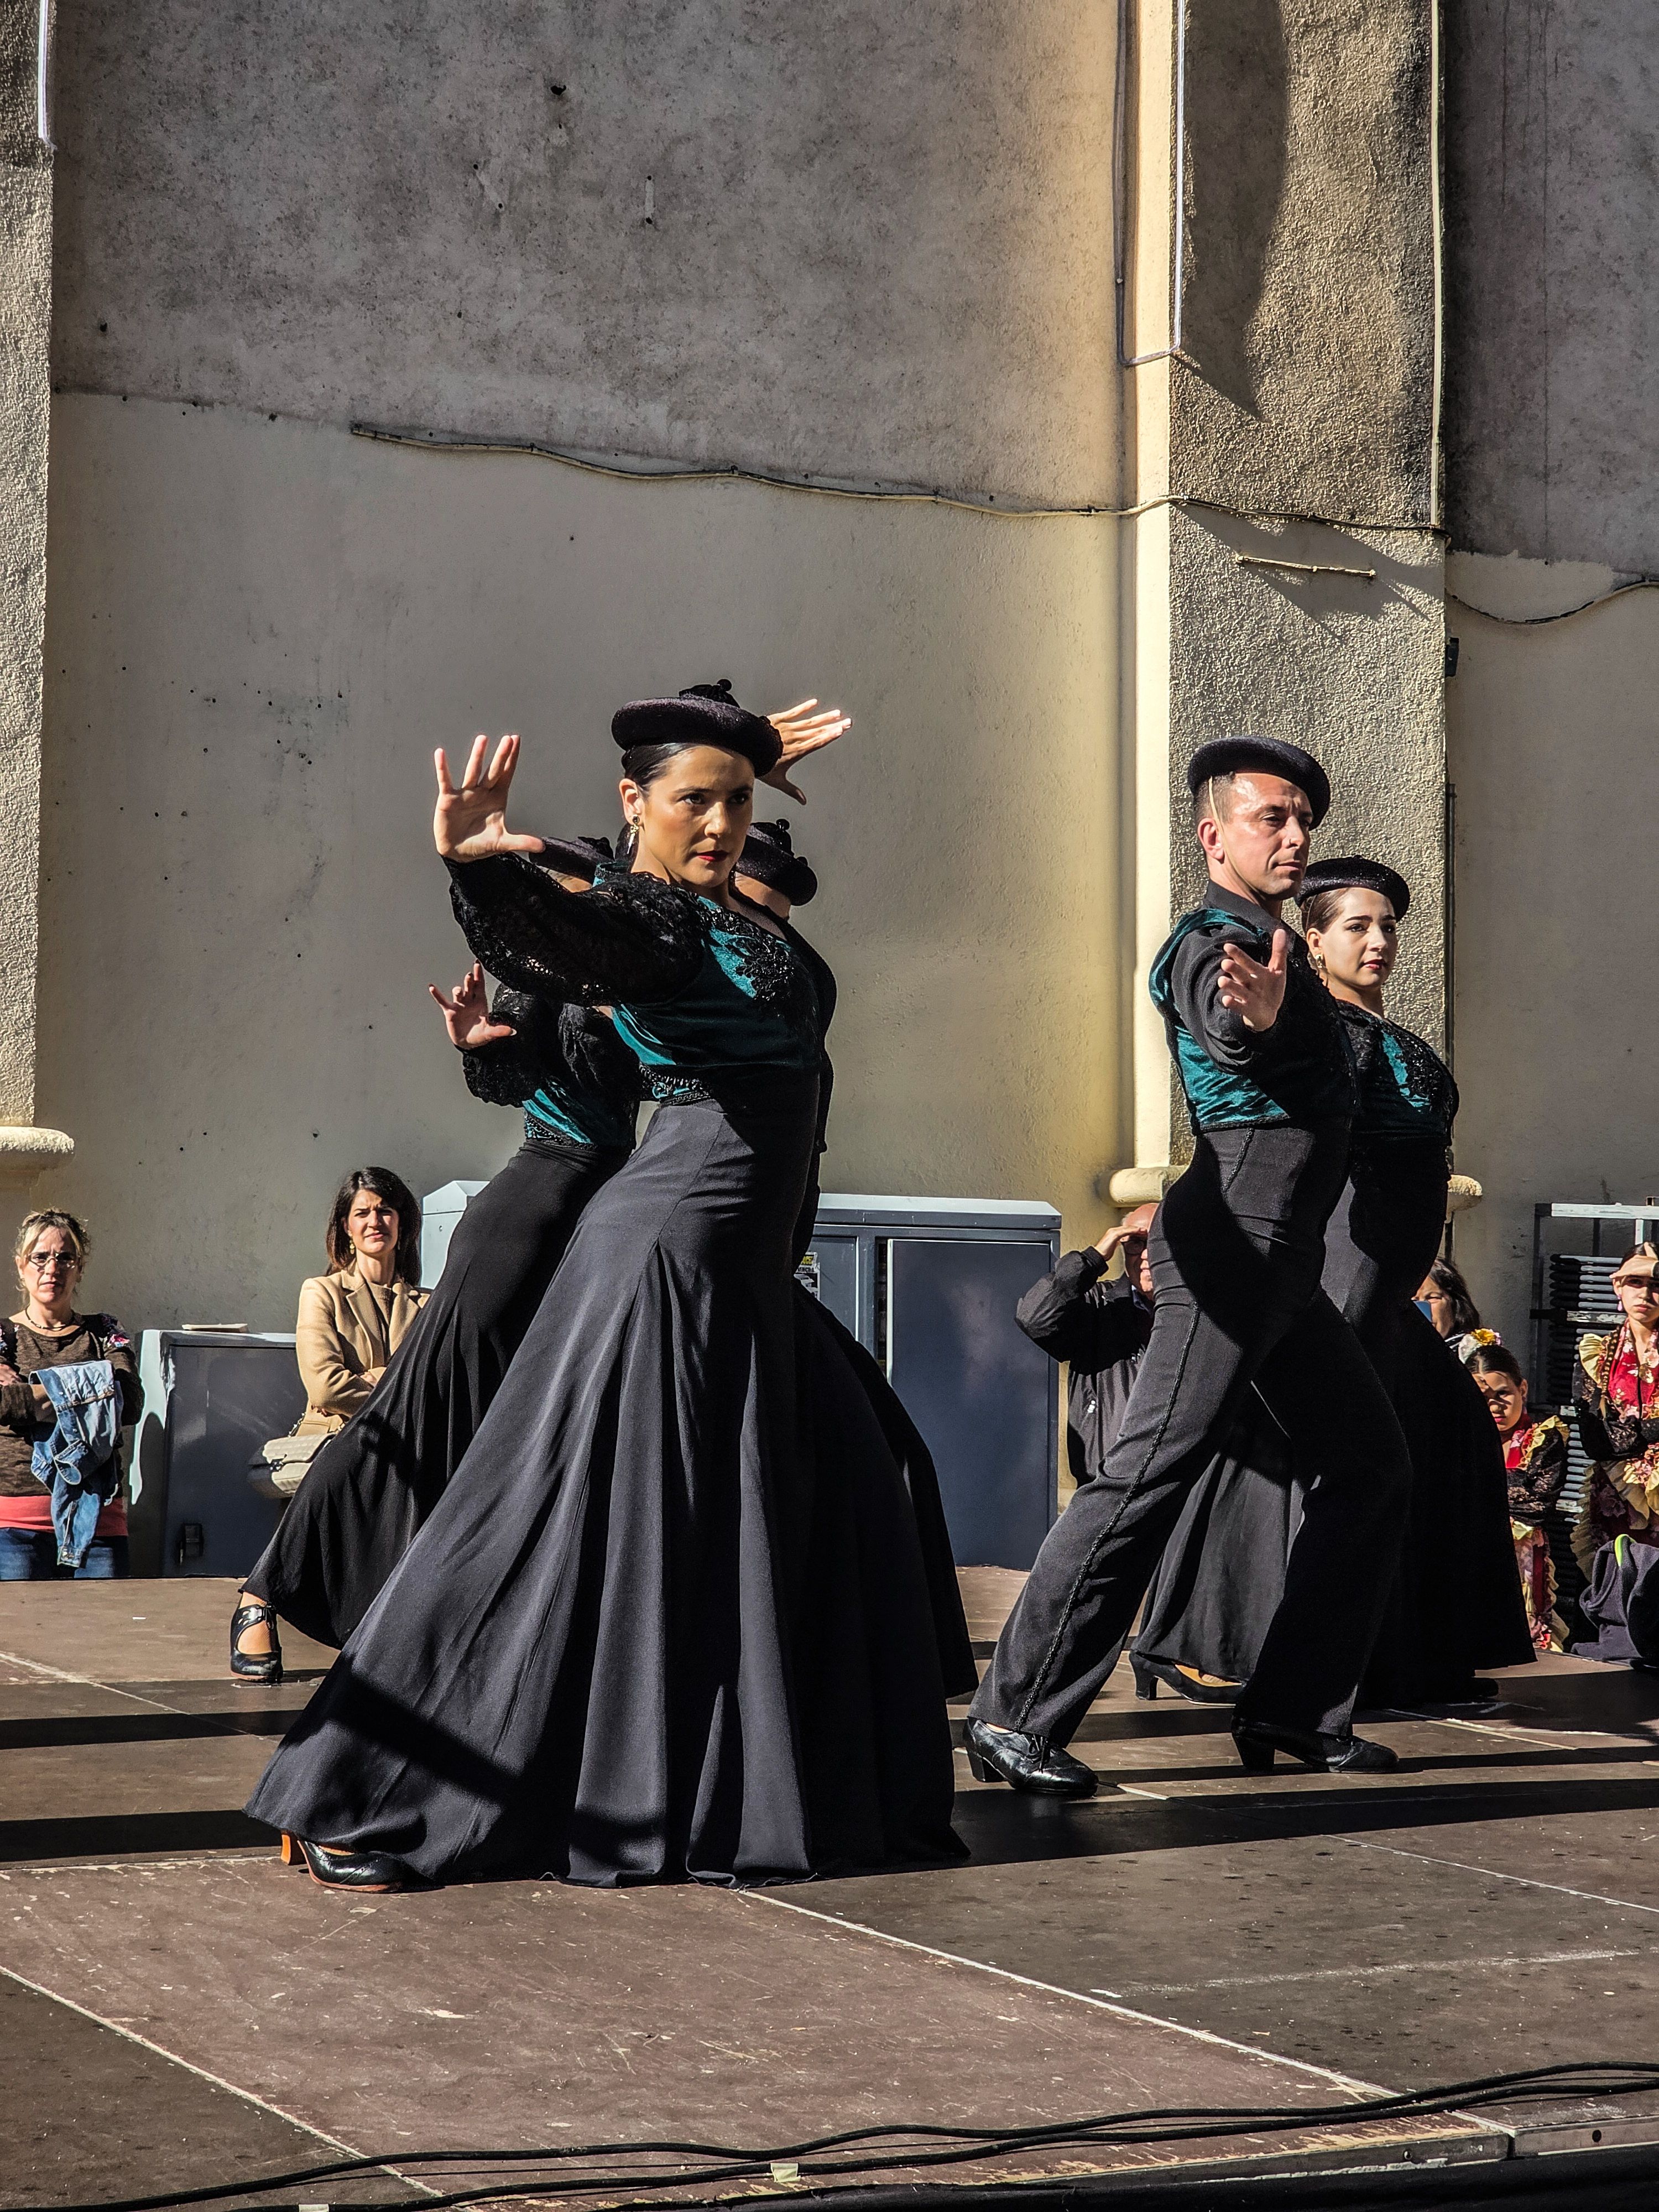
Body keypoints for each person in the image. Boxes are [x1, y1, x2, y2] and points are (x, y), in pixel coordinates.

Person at [247, 684, 959, 1890]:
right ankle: (362, 1781)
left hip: (742, 1269)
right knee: (536, 1525)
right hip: (664, 1256)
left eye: (736, 800)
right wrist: (482, 871)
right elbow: (575, 933)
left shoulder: (720, 907)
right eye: (695, 800)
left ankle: (760, 1785)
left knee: (835, 1487)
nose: (723, 822)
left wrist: (735, 752)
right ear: (636, 803)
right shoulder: (652, 916)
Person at [967, 734, 1411, 1792]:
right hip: (1234, 1236)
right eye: (1272, 817)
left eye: (1305, 818)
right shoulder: (1213, 937)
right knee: (1147, 1471)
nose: (1296, 834)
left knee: (1370, 1466)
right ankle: (1013, 1715)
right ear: (1215, 836)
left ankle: (1296, 1710)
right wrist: (1253, 1025)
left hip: (1282, 1255)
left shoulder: (1275, 943)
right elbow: (1221, 1020)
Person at [229, 838, 638, 1682]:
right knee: (414, 1419)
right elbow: (504, 1084)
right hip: (527, 1213)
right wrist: (478, 1045)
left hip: (603, 1214)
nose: (564, 909)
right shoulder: (535, 984)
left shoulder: (632, 974)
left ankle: (449, 1619)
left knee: (516, 1431)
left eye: (578, 894)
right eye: (557, 894)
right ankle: (264, 1592)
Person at [732, 818, 975, 1696]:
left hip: (770, 1248)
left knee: (884, 1457)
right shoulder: (685, 931)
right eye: (756, 910)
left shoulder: (778, 959)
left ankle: (846, 1685)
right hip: (714, 1251)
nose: (775, 938)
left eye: (784, 919)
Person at [1298, 859, 1531, 1704]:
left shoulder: (1388, 1034)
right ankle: (1362, 1671)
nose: (1378, 940)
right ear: (1313, 939)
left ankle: (1427, 1655)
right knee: (1375, 1457)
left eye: (1388, 925)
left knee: (1455, 1432)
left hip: (1394, 1287)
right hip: (1346, 1270)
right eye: (1356, 926)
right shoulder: (1318, 1030)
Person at [1014, 1203, 1300, 1703]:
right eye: (1136, 1243)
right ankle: (1041, 1691)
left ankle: (1177, 1656)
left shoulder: (1205, 1310)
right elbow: (1036, 1317)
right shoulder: (1102, 1306)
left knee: (1195, 1565)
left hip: (1194, 1464)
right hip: (1116, 1469)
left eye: (1159, 1241)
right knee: (1102, 1585)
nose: (1146, 1255)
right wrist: (1091, 1258)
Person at [230, 1170, 427, 1677]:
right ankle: (258, 1599)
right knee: (347, 1460)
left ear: (403, 1223)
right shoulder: (321, 1292)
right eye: (362, 1212)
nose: (374, 1221)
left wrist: (377, 1380)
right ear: (345, 1227)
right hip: (337, 1441)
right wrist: (399, 1383)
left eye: (385, 1210)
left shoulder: (430, 1304)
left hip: (408, 1447)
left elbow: (435, 1387)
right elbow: (325, 1386)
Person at [0, 1210, 142, 1580]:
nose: (53, 1268)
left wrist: (35, 1393)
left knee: (103, 1635)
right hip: (17, 1527)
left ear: (79, 1268)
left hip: (99, 1523)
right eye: (40, 1257)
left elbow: (128, 1402)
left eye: (66, 1258)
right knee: (20, 1639)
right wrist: (95, 1386)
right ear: (20, 1266)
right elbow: (2, 1405)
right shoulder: (2, 1335)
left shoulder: (105, 1330)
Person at [1570, 1243, 1659, 1663]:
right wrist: (1645, 1433)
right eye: (1635, 1282)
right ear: (1617, 1288)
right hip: (1617, 1492)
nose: (1646, 1294)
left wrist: (1636, 1431)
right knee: (1620, 1574)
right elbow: (1595, 1438)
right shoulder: (1598, 1355)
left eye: (1656, 1284)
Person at [1468, 1344, 1568, 1653]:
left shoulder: (1544, 1436)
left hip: (1522, 1562)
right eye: (1484, 1398)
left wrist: (1480, 1491)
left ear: (1522, 1388)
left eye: (1503, 1394)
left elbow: (1539, 1501)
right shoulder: (1466, 1439)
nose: (1495, 1406)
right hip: (1471, 1552)